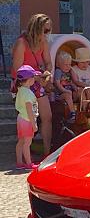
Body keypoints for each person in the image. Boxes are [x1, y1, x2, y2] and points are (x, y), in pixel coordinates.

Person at [11, 13, 54, 156]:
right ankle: (24, 155)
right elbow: (18, 72)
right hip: (23, 85)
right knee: (27, 118)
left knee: (47, 116)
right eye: (45, 30)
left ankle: (47, 153)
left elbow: (48, 62)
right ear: (36, 28)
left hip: (37, 82)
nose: (47, 34)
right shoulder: (22, 43)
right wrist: (35, 77)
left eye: (49, 30)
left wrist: (47, 72)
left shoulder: (43, 43)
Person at [14, 65, 40, 170]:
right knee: (27, 143)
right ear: (29, 80)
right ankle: (29, 163)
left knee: (21, 141)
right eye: (33, 77)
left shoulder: (20, 90)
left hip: (21, 118)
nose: (34, 79)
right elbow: (29, 110)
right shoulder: (28, 93)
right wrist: (34, 125)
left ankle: (19, 162)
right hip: (27, 120)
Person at [53, 51, 77, 123]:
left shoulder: (68, 72)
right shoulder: (58, 71)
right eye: (65, 65)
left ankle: (80, 109)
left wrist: (74, 86)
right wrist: (64, 90)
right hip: (60, 94)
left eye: (69, 64)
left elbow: (70, 82)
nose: (68, 67)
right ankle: (72, 112)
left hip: (69, 91)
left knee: (77, 92)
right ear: (58, 65)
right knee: (68, 95)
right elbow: (57, 83)